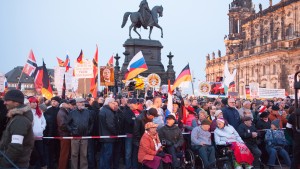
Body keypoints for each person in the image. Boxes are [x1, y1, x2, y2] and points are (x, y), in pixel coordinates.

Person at [0, 90, 34, 168]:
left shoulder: (20, 120)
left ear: (16, 103)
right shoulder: (16, 117)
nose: (4, 103)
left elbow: (16, 146)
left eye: (7, 100)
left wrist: (4, 164)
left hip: (14, 164)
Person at [68, 98, 93, 169]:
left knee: (84, 154)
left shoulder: (88, 112)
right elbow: (67, 124)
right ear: (76, 104)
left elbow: (91, 123)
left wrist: (89, 131)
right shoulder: (72, 113)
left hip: (85, 137)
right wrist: (72, 131)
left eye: (81, 102)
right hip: (75, 137)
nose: (80, 104)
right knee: (74, 154)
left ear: (84, 103)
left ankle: (84, 167)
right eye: (78, 102)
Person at [98, 97, 118, 169]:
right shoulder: (108, 112)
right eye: (113, 103)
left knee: (103, 155)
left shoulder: (103, 110)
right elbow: (110, 125)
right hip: (108, 137)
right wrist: (116, 133)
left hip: (104, 136)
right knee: (107, 155)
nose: (114, 105)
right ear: (109, 103)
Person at [28, 97, 47, 169]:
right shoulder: (27, 112)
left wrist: (41, 129)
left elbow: (44, 122)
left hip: (39, 136)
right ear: (29, 103)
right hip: (30, 137)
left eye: (36, 102)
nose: (35, 103)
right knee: (33, 154)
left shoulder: (39, 112)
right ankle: (31, 167)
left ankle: (44, 166)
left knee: (41, 154)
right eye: (33, 102)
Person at [43, 96, 61, 169]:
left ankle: (57, 164)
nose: (53, 102)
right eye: (52, 101)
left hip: (58, 135)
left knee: (58, 151)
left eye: (55, 101)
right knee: (49, 152)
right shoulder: (48, 111)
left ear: (58, 102)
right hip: (49, 135)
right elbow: (45, 123)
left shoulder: (60, 111)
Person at [123, 99, 141, 169]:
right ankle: (128, 166)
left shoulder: (139, 112)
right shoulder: (127, 112)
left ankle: (135, 166)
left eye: (137, 104)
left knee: (135, 151)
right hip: (129, 134)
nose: (136, 105)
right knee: (128, 152)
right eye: (135, 103)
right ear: (130, 104)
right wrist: (136, 121)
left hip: (137, 135)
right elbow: (130, 122)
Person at [57, 99, 71, 169]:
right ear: (63, 104)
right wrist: (71, 129)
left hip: (65, 135)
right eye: (67, 103)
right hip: (64, 135)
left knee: (65, 153)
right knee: (64, 154)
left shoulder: (64, 111)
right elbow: (62, 125)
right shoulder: (61, 112)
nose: (68, 104)